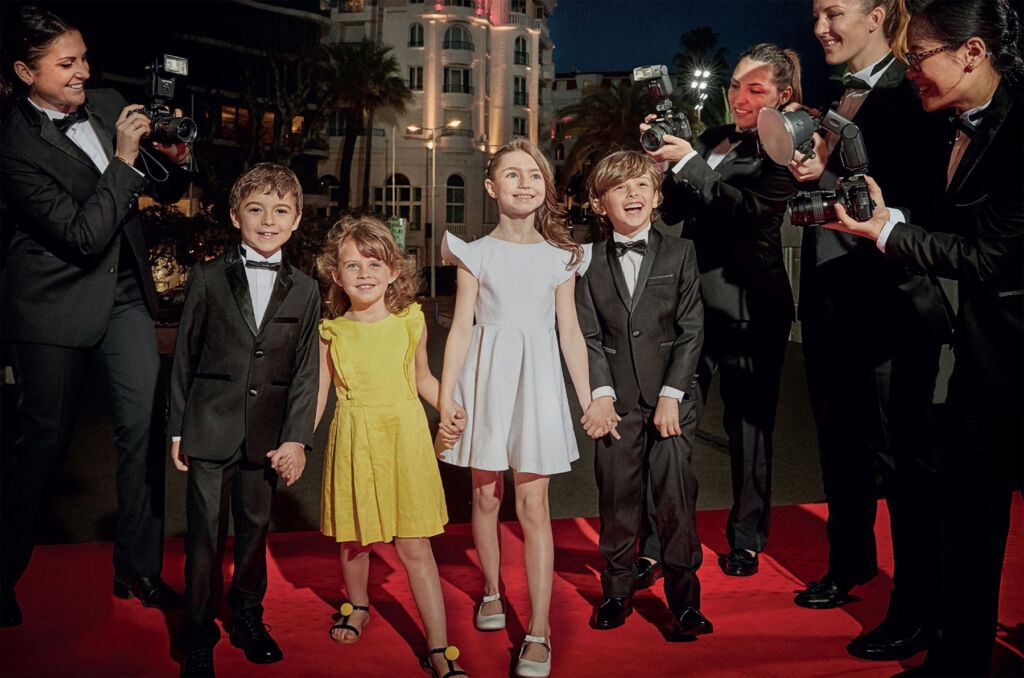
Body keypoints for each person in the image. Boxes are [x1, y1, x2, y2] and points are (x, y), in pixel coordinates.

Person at [822, 1, 1022, 673]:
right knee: (970, 519)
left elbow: (988, 256)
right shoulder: (946, 123)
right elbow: (946, 224)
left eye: (919, 58)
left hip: (1011, 352)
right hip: (977, 357)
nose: (911, 72)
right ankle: (958, 656)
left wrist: (885, 231)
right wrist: (891, 216)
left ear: (972, 52)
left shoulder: (1019, 128)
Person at [0, 5, 195, 627]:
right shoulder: (13, 145)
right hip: (52, 305)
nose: (83, 71)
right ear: (26, 72)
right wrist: (124, 158)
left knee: (143, 430)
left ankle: (138, 569)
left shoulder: (108, 104)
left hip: (126, 296)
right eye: (66, 63)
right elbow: (83, 236)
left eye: (83, 57)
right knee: (42, 444)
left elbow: (162, 187)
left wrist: (175, 157)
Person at [785, 0, 953, 661]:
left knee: (901, 461)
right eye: (816, 14)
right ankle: (849, 562)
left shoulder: (917, 93)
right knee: (840, 444)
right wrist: (814, 171)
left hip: (890, 305)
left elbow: (928, 206)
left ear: (879, 14)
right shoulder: (837, 97)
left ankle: (919, 607)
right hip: (830, 302)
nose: (820, 28)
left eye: (834, 13)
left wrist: (853, 199)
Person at [640, 43, 802, 581]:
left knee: (749, 428)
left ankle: (747, 538)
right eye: (734, 86)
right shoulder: (710, 139)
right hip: (690, 306)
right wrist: (660, 164)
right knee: (671, 422)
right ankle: (658, 541)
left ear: (783, 95)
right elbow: (675, 211)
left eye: (755, 89)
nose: (739, 97)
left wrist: (688, 162)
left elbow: (748, 213)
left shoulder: (783, 148)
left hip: (750, 306)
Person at [438, 137, 592, 678]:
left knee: (534, 507)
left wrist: (590, 399)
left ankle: (539, 630)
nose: (524, 184)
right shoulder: (473, 252)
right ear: (491, 187)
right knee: (485, 496)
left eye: (534, 175)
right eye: (512, 174)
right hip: (485, 380)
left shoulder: (562, 256)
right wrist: (446, 399)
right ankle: (490, 590)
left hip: (537, 383)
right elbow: (460, 329)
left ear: (545, 187)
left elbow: (570, 333)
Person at [168, 163, 321, 678]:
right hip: (209, 427)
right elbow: (184, 357)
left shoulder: (305, 289)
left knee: (254, 534)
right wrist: (177, 428)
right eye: (256, 209)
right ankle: (196, 635)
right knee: (204, 540)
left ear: (296, 220)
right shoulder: (208, 277)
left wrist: (296, 438)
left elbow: (305, 372)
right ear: (236, 215)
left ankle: (248, 618)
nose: (268, 220)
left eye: (281, 211)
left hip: (266, 437)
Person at [313, 216, 468, 678]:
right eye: (353, 265)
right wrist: (297, 441)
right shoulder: (330, 331)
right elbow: (319, 394)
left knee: (415, 544)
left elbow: (422, 378)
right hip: (354, 436)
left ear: (394, 270)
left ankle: (438, 647)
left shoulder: (410, 321)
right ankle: (358, 605)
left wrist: (450, 405)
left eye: (374, 263)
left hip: (404, 436)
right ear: (336, 274)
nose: (364, 273)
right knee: (354, 538)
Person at [574, 150, 708, 637]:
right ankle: (616, 593)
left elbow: (691, 329)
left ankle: (685, 602)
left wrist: (673, 393)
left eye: (641, 186)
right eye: (619, 187)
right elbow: (588, 335)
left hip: (672, 400)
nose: (632, 194)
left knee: (675, 499)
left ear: (656, 197)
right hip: (615, 404)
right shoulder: (585, 260)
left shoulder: (681, 252)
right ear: (599, 203)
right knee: (617, 499)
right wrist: (600, 393)